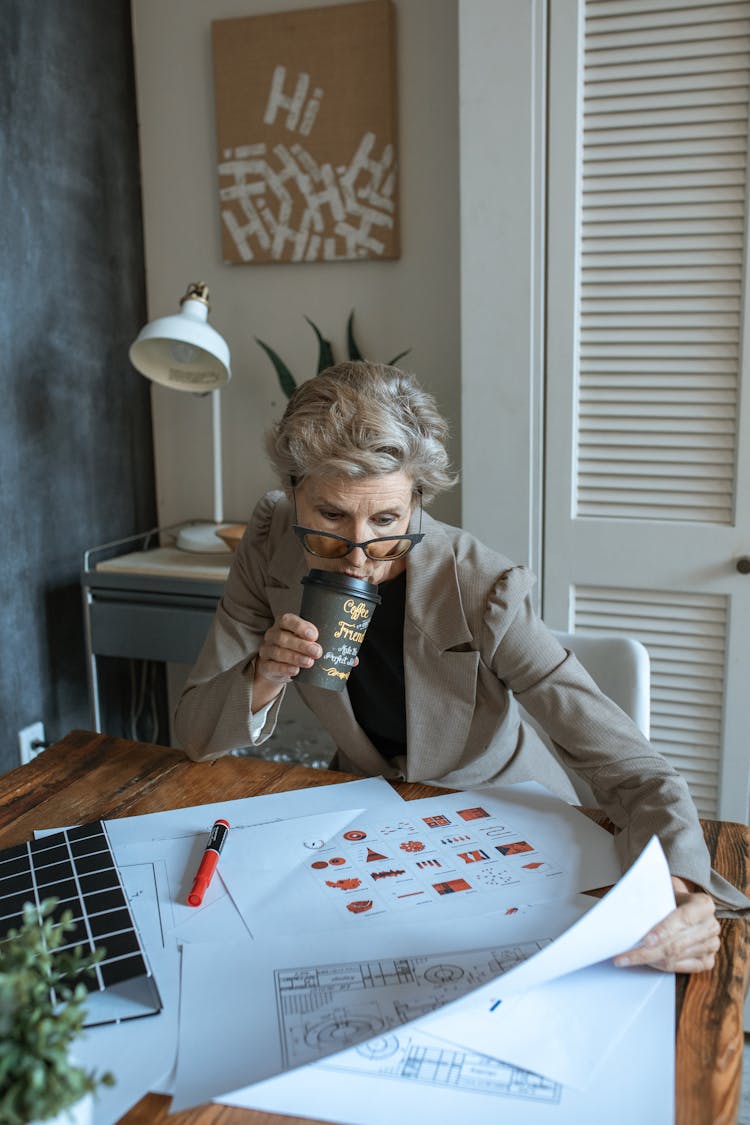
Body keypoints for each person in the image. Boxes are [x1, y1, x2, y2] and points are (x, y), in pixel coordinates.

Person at [175, 360, 747, 973]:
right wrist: (262, 675)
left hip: (505, 821)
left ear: (417, 498)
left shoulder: (484, 588)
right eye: (331, 517)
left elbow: (634, 771)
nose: (358, 556)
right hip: (365, 814)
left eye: (387, 521)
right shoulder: (268, 544)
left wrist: (682, 887)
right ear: (293, 492)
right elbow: (194, 734)